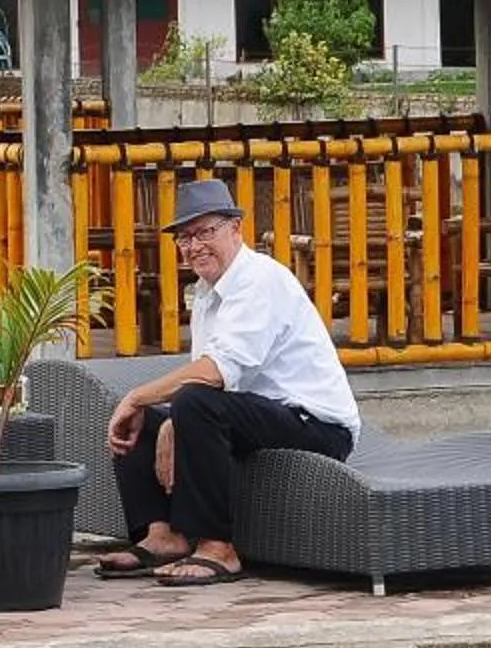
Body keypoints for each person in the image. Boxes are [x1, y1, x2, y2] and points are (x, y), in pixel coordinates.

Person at [98, 177, 360, 586]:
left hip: (319, 427)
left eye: (206, 231)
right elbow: (210, 381)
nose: (195, 245)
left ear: (236, 229)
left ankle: (218, 547)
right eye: (185, 237)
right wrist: (159, 416)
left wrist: (137, 395)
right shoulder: (206, 292)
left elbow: (215, 374)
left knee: (185, 404)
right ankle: (161, 534)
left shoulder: (259, 281)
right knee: (145, 420)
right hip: (260, 413)